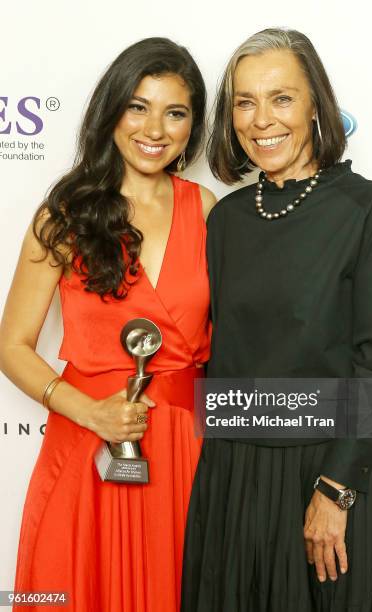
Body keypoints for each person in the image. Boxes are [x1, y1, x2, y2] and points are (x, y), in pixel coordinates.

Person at [181, 28, 372, 611]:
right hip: (235, 479)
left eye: (282, 98)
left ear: (316, 103)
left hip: (333, 473)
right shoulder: (227, 220)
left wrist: (336, 489)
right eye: (245, 102)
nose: (261, 119)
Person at [0, 37, 216, 612]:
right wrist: (89, 411)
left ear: (192, 126)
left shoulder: (210, 209)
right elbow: (13, 345)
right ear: (112, 110)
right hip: (88, 442)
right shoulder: (65, 215)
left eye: (175, 112)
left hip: (184, 453)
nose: (155, 128)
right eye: (138, 106)